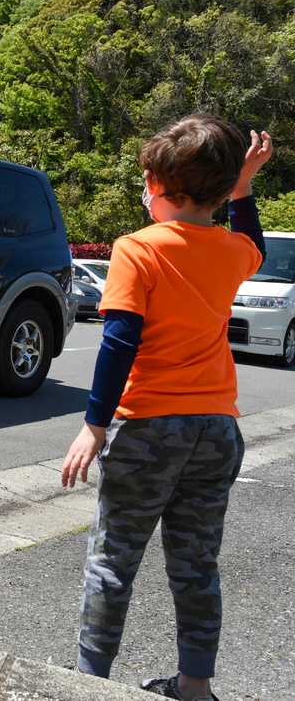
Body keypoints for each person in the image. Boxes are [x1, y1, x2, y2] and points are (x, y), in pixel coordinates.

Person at [61, 115, 273, 701]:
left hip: (149, 431)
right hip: (218, 430)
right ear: (220, 189)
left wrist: (94, 425)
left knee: (112, 564)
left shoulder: (136, 250)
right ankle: (195, 687)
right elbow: (252, 241)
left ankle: (89, 687)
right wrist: (244, 185)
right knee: (197, 565)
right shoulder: (232, 252)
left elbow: (120, 342)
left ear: (157, 185)